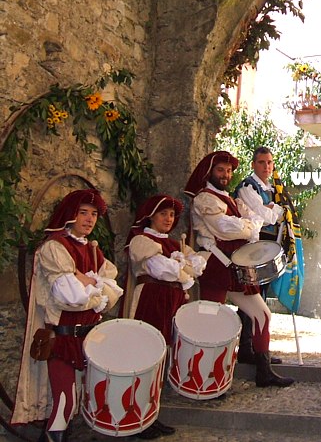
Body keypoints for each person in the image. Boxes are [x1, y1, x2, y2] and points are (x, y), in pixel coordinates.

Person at [12, 189, 123, 442]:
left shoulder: (93, 251)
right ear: (70, 215)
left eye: (94, 214)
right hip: (62, 338)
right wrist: (97, 289)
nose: (90, 219)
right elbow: (70, 298)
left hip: (89, 336)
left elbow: (113, 290)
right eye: (83, 212)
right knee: (65, 399)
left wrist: (89, 283)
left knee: (83, 396)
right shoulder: (55, 248)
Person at [184, 151, 293, 387]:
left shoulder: (231, 200)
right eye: (221, 170)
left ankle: (264, 371)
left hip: (238, 267)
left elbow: (257, 220)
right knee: (211, 323)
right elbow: (226, 228)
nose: (226, 175)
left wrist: (248, 224)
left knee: (262, 314)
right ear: (210, 172)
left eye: (229, 171)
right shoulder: (205, 199)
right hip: (215, 264)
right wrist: (249, 224)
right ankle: (206, 378)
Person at [124, 194, 206, 438]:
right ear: (151, 215)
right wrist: (182, 267)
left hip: (172, 301)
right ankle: (136, 416)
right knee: (145, 356)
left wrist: (182, 265)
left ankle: (151, 415)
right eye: (163, 214)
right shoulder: (142, 241)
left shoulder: (174, 244)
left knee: (162, 358)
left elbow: (198, 265)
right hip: (152, 300)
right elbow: (163, 271)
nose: (168, 219)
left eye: (171, 215)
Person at [233, 146, 285, 364]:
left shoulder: (272, 188)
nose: (267, 166)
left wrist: (271, 208)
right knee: (250, 298)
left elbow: (271, 213)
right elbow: (267, 217)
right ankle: (246, 348)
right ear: (254, 164)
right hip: (251, 248)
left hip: (264, 249)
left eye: (270, 163)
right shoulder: (248, 186)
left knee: (259, 296)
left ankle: (257, 348)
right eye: (262, 162)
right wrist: (273, 210)